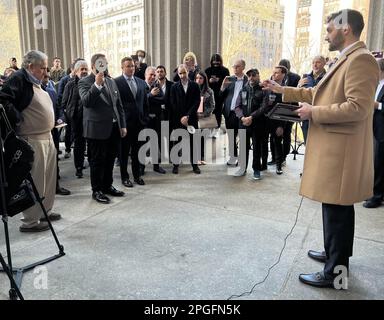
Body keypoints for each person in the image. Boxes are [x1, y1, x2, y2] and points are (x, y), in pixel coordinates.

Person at [263, 9, 380, 288]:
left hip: (342, 153)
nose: (327, 34)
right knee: (334, 208)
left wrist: (314, 112)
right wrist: (282, 90)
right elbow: (319, 93)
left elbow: (358, 108)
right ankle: (333, 253)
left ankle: (335, 274)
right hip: (336, 150)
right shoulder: (347, 59)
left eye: (330, 30)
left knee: (338, 211)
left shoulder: (361, 61)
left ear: (346, 30)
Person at [0, 50, 62, 232]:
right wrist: (18, 120)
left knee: (48, 179)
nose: (46, 71)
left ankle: (45, 212)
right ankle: (30, 221)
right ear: (30, 66)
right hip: (32, 138)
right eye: (42, 67)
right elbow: (4, 99)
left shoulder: (35, 82)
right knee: (35, 179)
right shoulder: (19, 78)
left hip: (47, 136)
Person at [78, 54, 127, 204]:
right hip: (96, 130)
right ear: (93, 66)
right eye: (100, 64)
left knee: (110, 159)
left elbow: (118, 105)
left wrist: (122, 124)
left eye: (105, 64)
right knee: (97, 161)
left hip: (113, 128)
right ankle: (97, 190)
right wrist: (97, 85)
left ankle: (107, 185)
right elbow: (86, 102)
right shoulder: (84, 82)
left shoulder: (111, 82)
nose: (103, 66)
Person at [115, 56, 149, 188]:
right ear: (122, 68)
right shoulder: (116, 82)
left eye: (133, 66)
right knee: (124, 153)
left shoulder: (141, 82)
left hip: (139, 124)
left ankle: (137, 176)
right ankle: (125, 177)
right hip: (125, 125)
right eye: (128, 66)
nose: (131, 68)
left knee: (137, 152)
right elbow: (116, 104)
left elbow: (145, 103)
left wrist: (145, 119)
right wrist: (120, 123)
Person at [235, 68, 269, 179]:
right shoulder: (243, 90)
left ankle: (256, 170)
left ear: (258, 76)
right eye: (249, 75)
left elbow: (264, 107)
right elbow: (237, 106)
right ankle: (242, 168)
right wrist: (242, 118)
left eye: (253, 75)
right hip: (243, 123)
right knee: (243, 147)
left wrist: (252, 117)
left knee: (257, 148)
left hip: (257, 123)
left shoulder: (263, 90)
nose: (251, 78)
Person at [169, 64, 201, 174]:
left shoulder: (195, 86)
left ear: (188, 71)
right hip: (178, 119)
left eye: (184, 72)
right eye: (180, 73)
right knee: (177, 143)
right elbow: (173, 104)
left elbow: (196, 102)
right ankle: (176, 165)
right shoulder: (174, 87)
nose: (182, 75)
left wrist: (187, 116)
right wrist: (182, 117)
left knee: (194, 142)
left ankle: (195, 165)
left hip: (191, 118)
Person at [61, 60, 89, 179]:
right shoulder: (70, 84)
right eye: (81, 69)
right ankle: (79, 167)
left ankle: (91, 163)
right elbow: (64, 102)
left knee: (91, 142)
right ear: (76, 71)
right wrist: (69, 113)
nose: (84, 71)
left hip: (89, 118)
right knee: (79, 143)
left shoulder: (91, 83)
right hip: (76, 119)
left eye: (85, 69)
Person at [363, 58, 384, 209]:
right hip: (373, 128)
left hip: (381, 130)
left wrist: (378, 105)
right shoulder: (375, 84)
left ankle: (376, 197)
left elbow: (377, 105)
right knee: (374, 163)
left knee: (379, 163)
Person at [220, 59, 248, 166]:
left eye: (237, 66)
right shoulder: (229, 80)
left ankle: (241, 160)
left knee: (242, 137)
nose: (235, 69)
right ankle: (233, 157)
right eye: (234, 66)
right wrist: (223, 87)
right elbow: (221, 96)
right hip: (230, 113)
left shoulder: (247, 80)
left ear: (243, 67)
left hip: (242, 114)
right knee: (231, 136)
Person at [298, 56, 327, 143]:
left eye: (318, 62)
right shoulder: (305, 77)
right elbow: (299, 94)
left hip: (320, 116)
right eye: (313, 62)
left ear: (324, 64)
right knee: (307, 145)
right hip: (306, 117)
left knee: (320, 146)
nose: (315, 65)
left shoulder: (329, 77)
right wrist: (299, 85)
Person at [205, 53, 230, 136]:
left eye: (217, 62)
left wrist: (219, 80)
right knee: (209, 112)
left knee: (218, 112)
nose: (215, 64)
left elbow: (228, 83)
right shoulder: (208, 70)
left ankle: (216, 129)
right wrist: (209, 81)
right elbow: (203, 82)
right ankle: (209, 129)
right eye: (214, 62)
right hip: (209, 95)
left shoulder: (225, 70)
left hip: (220, 95)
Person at [195, 71, 215, 165]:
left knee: (202, 138)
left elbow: (212, 106)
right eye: (197, 78)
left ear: (204, 79)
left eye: (200, 78)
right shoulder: (192, 89)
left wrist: (204, 114)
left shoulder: (209, 91)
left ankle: (202, 158)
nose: (198, 80)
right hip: (194, 117)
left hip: (204, 117)